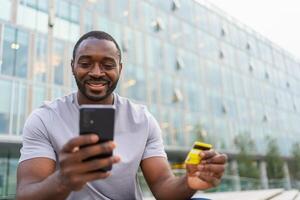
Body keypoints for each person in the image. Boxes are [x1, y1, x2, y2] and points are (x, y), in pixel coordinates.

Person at [16, 31, 227, 200]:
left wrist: (189, 182)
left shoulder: (142, 119)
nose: (97, 72)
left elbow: (163, 186)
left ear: (120, 69)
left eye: (108, 65)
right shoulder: (44, 118)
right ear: (73, 66)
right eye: (85, 63)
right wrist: (63, 179)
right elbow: (25, 194)